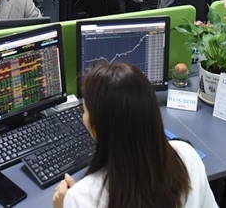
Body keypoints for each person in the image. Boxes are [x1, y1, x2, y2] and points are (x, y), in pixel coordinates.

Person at [52, 61, 217, 208]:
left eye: (85, 111)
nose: (83, 117)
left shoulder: (82, 197)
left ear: (99, 126)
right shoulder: (187, 157)